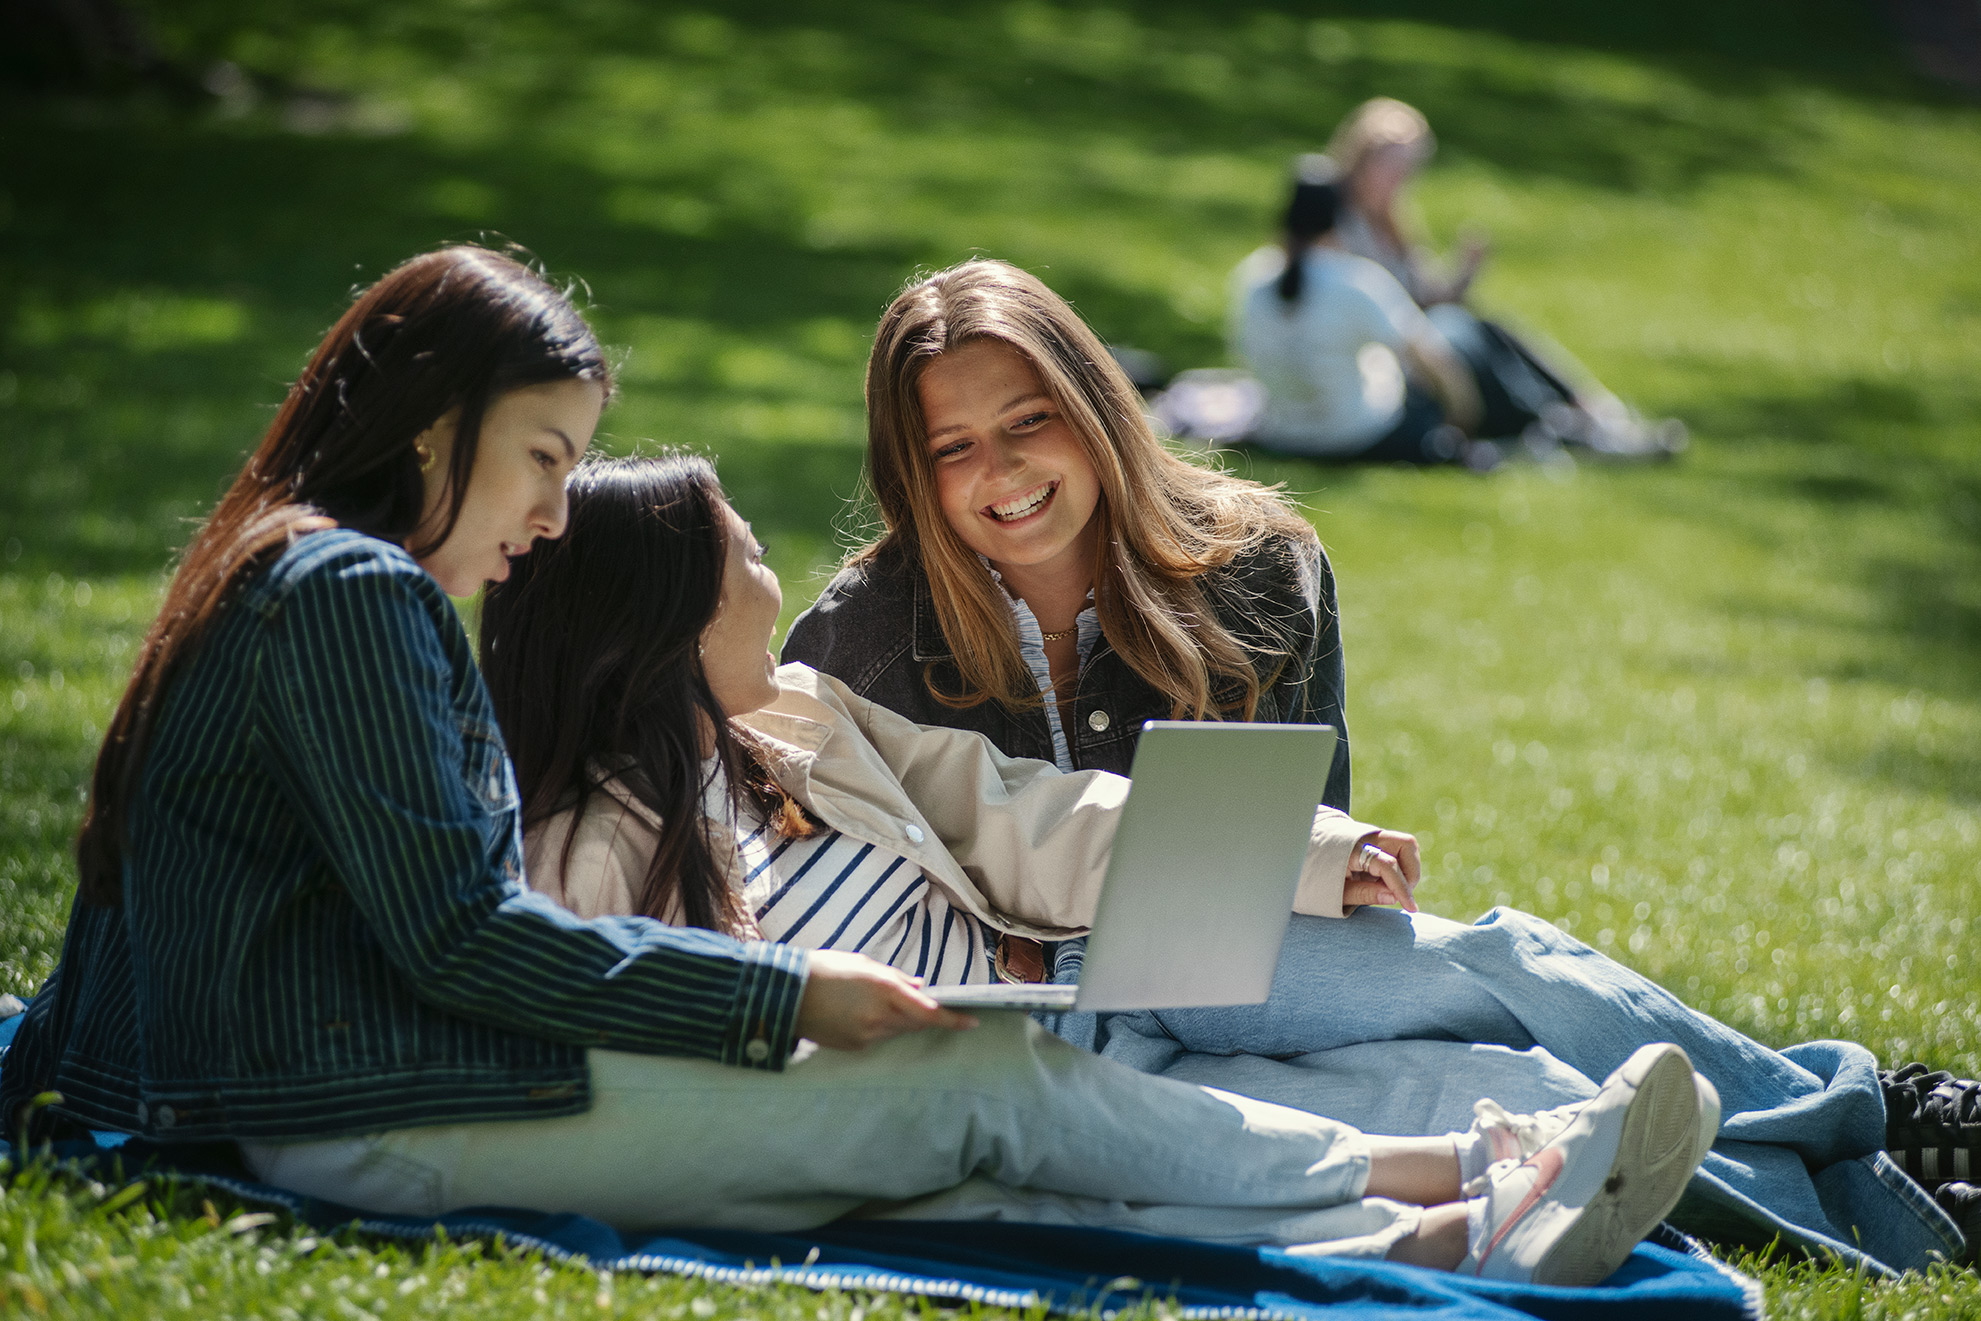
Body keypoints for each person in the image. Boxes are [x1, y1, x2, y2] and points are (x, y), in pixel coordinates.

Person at [0, 246, 1708, 1287]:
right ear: (432, 425)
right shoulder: (352, 589)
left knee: (978, 1123)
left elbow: (1011, 814)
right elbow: (464, 938)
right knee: (977, 1098)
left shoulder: (310, 578)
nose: (537, 515)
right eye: (541, 459)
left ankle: (1457, 1214)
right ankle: (1470, 1196)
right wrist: (789, 1003)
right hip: (360, 1109)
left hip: (347, 1088)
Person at [780, 258, 1972, 1272]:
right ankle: (1907, 1215)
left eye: (1027, 419)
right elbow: (839, 892)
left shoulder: (1255, 565)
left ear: (1092, 407)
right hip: (1041, 1023)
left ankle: (1870, 1109)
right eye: (954, 446)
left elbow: (1296, 840)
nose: (1001, 470)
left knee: (1503, 966)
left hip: (1238, 954)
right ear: (913, 469)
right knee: (1484, 1094)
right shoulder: (854, 638)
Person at [1327, 98, 1683, 458]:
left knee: (1492, 329)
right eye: (1389, 165)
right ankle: (1574, 424)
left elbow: (1424, 295)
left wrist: (1464, 275)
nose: (1398, 178)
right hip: (1388, 354)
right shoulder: (1334, 222)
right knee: (1464, 332)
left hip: (1416, 338)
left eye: (1407, 168)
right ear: (1362, 156)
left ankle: (1592, 412)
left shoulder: (1393, 220)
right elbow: (1365, 304)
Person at [1227, 156, 1494, 467]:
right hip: (1356, 435)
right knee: (1454, 330)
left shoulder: (1252, 274)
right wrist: (1463, 419)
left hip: (1283, 432)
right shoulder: (1356, 280)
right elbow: (1432, 358)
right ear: (1339, 219)